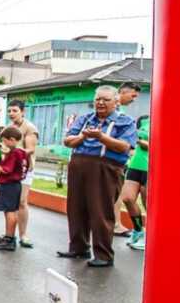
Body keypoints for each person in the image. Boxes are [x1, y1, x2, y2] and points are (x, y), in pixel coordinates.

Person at [58, 85, 137, 267]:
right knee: (76, 208)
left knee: (100, 211)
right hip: (79, 163)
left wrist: (101, 137)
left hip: (105, 167)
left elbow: (124, 146)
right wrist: (83, 138)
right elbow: (68, 140)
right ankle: (78, 247)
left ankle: (103, 254)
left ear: (116, 102)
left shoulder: (125, 121)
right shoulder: (86, 118)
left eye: (106, 100)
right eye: (97, 99)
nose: (100, 103)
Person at [0, 127, 28, 251]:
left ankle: (10, 239)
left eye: (4, 141)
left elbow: (6, 169)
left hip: (9, 185)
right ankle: (8, 236)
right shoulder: (22, 152)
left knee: (9, 212)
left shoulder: (14, 153)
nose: (3, 144)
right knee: (11, 211)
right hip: (17, 184)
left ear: (11, 140)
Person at [5, 100, 39, 247]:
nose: (11, 114)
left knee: (22, 202)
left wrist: (13, 151)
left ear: (22, 111)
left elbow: (30, 149)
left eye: (15, 110)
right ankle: (9, 234)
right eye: (9, 111)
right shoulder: (8, 128)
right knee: (9, 203)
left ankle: (23, 235)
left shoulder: (29, 128)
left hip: (24, 170)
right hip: (9, 170)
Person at [113, 82, 141, 237]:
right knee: (116, 193)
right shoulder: (115, 112)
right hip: (112, 160)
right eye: (133, 95)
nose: (134, 100)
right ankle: (115, 224)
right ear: (123, 91)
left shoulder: (118, 111)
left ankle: (115, 223)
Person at [121, 114, 149, 250]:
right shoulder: (143, 119)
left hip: (150, 167)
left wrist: (137, 139)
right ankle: (138, 231)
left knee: (148, 204)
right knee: (127, 198)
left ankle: (150, 238)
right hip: (135, 165)